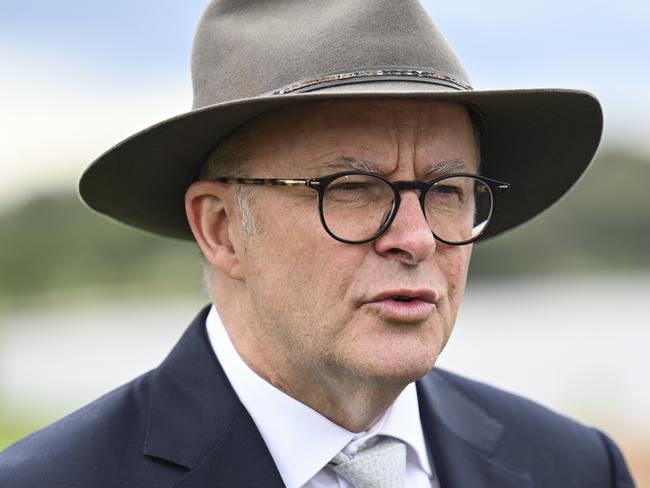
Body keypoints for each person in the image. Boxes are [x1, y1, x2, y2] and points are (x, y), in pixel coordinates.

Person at [0, 1, 636, 487]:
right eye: (352, 188)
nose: (416, 240)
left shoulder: (572, 466)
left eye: (448, 190)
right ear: (221, 229)